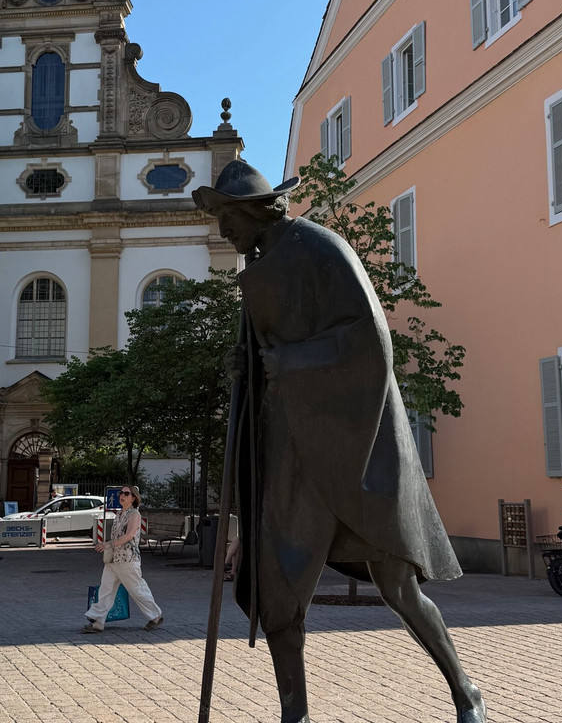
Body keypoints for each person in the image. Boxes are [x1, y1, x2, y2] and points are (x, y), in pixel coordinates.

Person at [192, 160, 485, 723]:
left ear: (253, 209)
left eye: (227, 217)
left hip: (353, 447)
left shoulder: (320, 248)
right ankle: (294, 713)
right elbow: (266, 356)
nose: (222, 230)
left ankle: (466, 691)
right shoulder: (256, 266)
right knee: (278, 589)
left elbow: (370, 339)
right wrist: (247, 366)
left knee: (397, 585)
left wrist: (290, 360)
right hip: (289, 452)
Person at [82, 484, 163, 633]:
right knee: (106, 590)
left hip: (128, 559)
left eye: (127, 493)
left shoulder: (134, 515)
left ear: (133, 498)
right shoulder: (119, 514)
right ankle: (97, 622)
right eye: (121, 493)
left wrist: (108, 544)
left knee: (137, 589)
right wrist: (109, 547)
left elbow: (129, 535)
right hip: (113, 560)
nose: (122, 495)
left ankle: (156, 616)